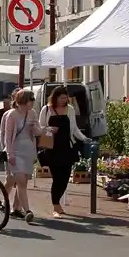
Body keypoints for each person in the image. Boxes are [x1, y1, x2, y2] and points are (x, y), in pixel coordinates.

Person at [38, 85, 89, 219]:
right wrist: (49, 129)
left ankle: (57, 203)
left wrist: (85, 138)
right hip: (52, 148)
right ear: (55, 98)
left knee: (65, 178)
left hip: (67, 148)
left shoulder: (70, 109)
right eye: (61, 98)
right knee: (57, 178)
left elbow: (75, 129)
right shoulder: (46, 109)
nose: (63, 101)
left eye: (65, 98)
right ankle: (56, 206)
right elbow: (40, 127)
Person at [1, 89, 40, 223]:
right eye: (31, 100)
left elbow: (37, 131)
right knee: (17, 181)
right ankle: (27, 210)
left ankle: (15, 207)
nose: (33, 102)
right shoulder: (11, 115)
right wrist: (8, 153)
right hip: (15, 151)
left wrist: (44, 129)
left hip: (28, 150)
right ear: (23, 101)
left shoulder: (32, 113)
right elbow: (6, 136)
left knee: (21, 180)